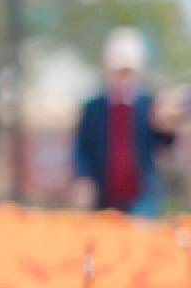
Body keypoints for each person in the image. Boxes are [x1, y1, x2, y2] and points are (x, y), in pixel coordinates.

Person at [69, 28, 170, 216]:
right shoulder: (93, 109)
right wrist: (83, 178)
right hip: (103, 196)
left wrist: (166, 126)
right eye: (118, 72)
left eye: (127, 72)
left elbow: (164, 144)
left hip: (142, 198)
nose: (123, 78)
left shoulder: (150, 107)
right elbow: (81, 148)